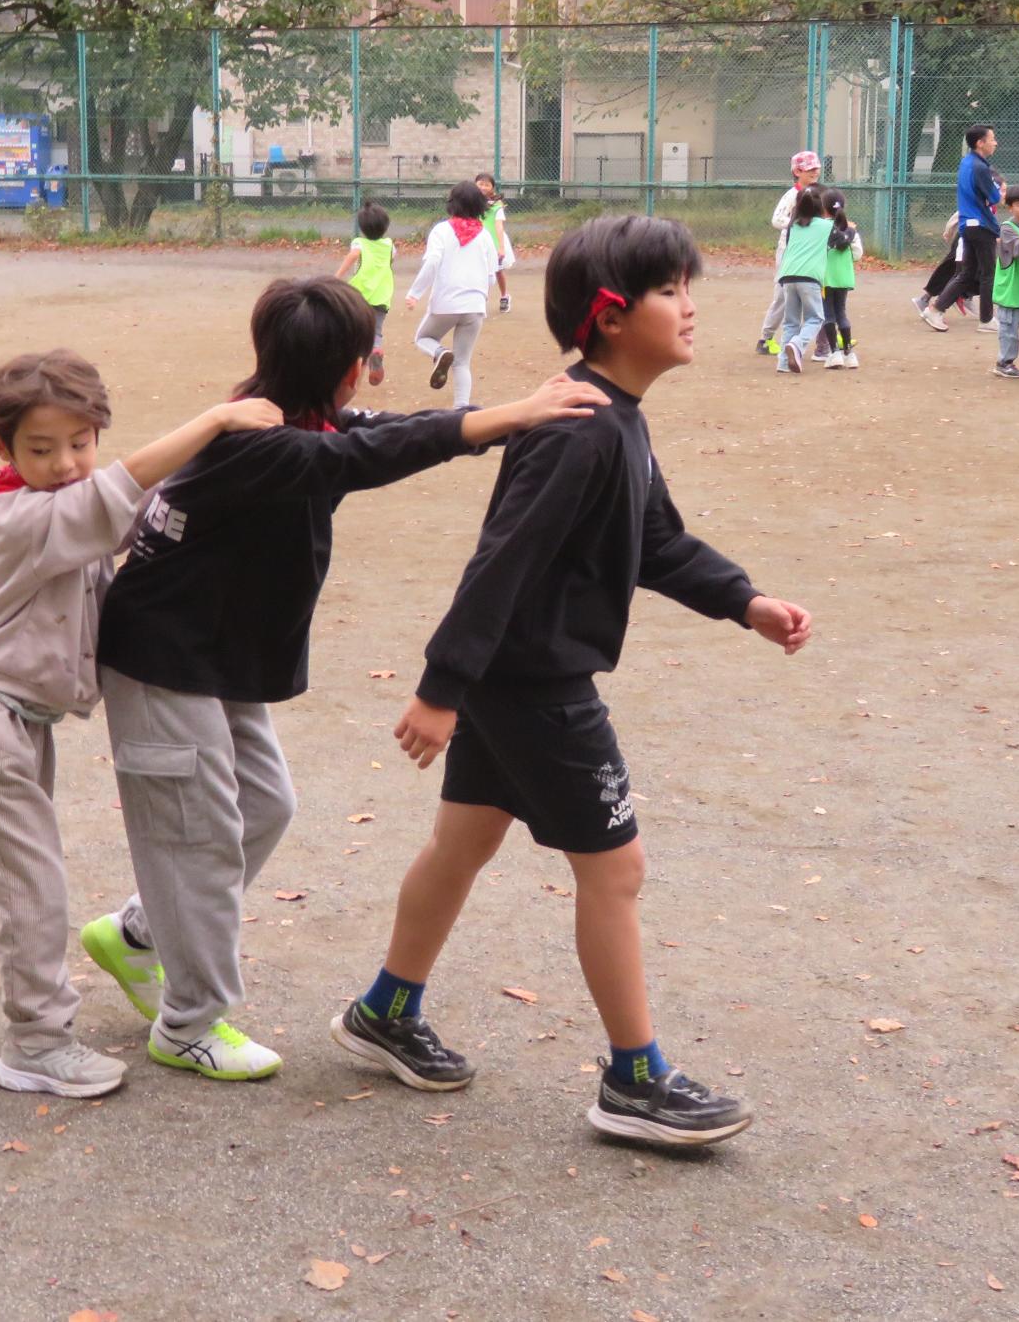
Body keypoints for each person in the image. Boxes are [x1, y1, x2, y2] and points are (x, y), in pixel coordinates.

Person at [329, 214, 812, 1148]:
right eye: (672, 291)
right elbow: (500, 561)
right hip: (538, 687)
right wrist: (441, 686)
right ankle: (635, 1079)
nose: (691, 308)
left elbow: (658, 541)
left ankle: (385, 1009)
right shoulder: (577, 429)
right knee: (616, 870)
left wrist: (743, 600)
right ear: (609, 315)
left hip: (514, 682)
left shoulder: (613, 417)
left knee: (462, 844)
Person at [76, 277, 608, 1082]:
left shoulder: (289, 411)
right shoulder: (261, 438)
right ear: (353, 367)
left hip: (212, 654)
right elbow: (363, 453)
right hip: (160, 657)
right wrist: (509, 416)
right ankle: (188, 1022)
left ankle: (140, 934)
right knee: (201, 837)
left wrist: (508, 419)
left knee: (263, 806)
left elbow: (381, 432)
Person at [0, 352, 283, 1100]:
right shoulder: (18, 516)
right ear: (4, 451)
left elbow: (150, 507)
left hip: (17, 727)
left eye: (80, 443)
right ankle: (35, 1042)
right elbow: (119, 493)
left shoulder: (67, 504)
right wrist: (216, 419)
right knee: (33, 889)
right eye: (41, 449)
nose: (65, 464)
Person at [407, 180, 502, 409]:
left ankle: (439, 352)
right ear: (481, 206)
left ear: (452, 203)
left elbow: (432, 263)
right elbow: (491, 276)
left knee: (423, 338)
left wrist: (414, 293)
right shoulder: (486, 236)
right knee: (462, 363)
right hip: (476, 305)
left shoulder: (441, 230)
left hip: (446, 303)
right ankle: (462, 410)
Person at [922, 127, 1001, 331]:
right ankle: (986, 320)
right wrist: (1000, 191)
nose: (995, 143)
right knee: (987, 274)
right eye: (992, 139)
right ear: (980, 143)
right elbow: (995, 197)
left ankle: (936, 309)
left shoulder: (967, 162)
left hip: (968, 226)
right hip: (981, 226)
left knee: (967, 273)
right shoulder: (980, 168)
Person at [761, 151, 823, 349]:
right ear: (798, 171)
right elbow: (776, 220)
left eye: (816, 168)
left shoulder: (819, 192)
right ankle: (766, 338)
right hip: (789, 251)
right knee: (782, 295)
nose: (815, 172)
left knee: (821, 292)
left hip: (812, 251)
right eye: (810, 169)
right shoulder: (792, 194)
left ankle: (830, 339)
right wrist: (800, 224)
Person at [332, 199, 395, 386]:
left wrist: (337, 276)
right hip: (382, 296)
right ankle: (375, 350)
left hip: (358, 296)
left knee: (350, 327)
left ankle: (351, 362)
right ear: (385, 226)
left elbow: (353, 255)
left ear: (362, 227)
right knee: (376, 330)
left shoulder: (359, 243)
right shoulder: (390, 245)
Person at [775, 184, 830, 373]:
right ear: (821, 208)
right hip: (810, 278)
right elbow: (841, 238)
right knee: (816, 318)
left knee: (791, 321)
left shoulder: (793, 226)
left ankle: (783, 363)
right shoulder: (826, 226)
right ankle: (798, 345)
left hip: (787, 276)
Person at [989, 189, 1019, 379]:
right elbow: (1017, 250)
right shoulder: (1007, 227)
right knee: (1009, 330)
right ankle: (1004, 363)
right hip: (1010, 289)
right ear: (1010, 208)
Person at [820, 187, 861, 369]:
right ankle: (849, 354)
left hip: (826, 277)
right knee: (841, 313)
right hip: (844, 277)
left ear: (823, 208)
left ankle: (834, 352)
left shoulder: (821, 228)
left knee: (828, 314)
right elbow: (858, 254)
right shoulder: (849, 229)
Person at [475, 173, 515, 313]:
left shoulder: (497, 205)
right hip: (477, 242)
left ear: (492, 187)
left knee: (498, 271)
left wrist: (501, 247)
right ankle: (481, 299)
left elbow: (499, 226)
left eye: (487, 184)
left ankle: (504, 296)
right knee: (480, 271)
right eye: (481, 183)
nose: (483, 187)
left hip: (494, 242)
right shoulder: (471, 202)